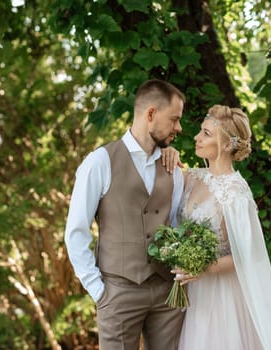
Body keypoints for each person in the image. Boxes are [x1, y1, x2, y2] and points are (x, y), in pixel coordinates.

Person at [64, 79, 186, 350]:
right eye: (174, 119)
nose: (179, 127)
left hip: (167, 293)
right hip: (118, 292)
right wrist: (99, 291)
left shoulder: (173, 167)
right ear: (151, 113)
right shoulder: (100, 161)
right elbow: (76, 232)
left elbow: (178, 223)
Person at [168, 105, 271, 349]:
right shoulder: (192, 176)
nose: (196, 137)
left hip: (220, 295)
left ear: (226, 145)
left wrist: (201, 268)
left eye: (205, 134)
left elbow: (247, 255)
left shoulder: (236, 193)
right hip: (193, 293)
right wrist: (169, 153)